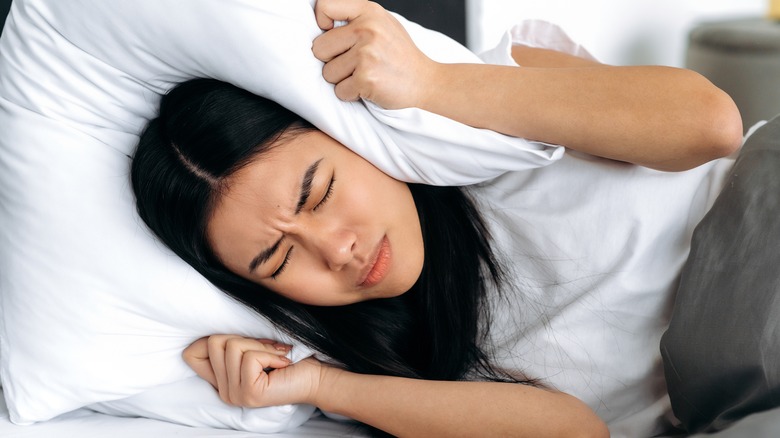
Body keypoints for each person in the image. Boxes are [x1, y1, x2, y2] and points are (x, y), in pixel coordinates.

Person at [130, 1, 743, 436]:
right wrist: (319, 387)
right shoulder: (371, 360)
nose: (334, 251)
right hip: (739, 391)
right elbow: (573, 433)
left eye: (318, 194)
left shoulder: (472, 115)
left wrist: (431, 82)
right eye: (279, 259)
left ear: (349, 138)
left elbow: (711, 126)